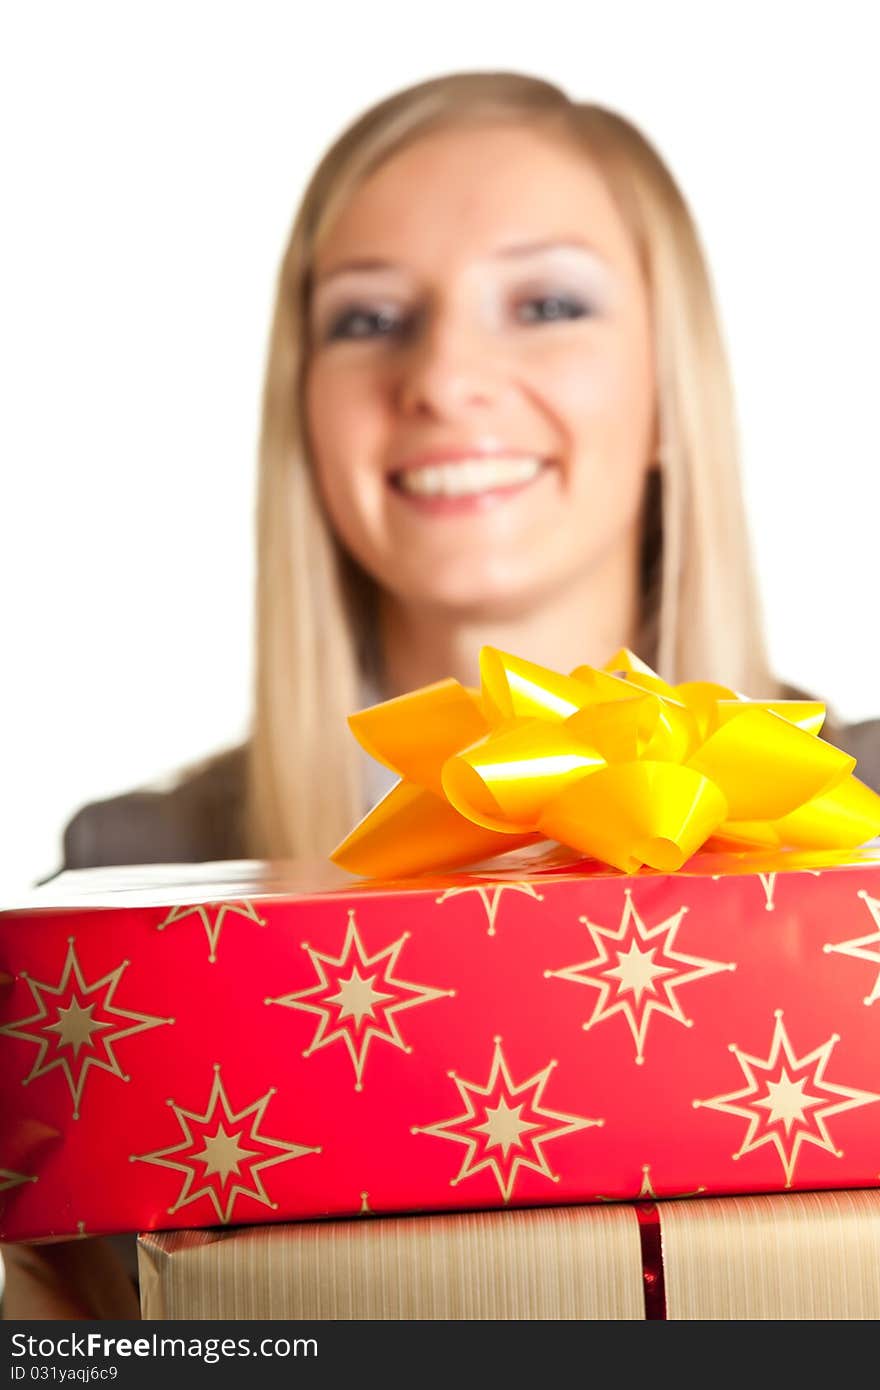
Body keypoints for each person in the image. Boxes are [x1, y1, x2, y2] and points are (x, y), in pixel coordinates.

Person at [3, 69, 879, 1321]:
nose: (445, 377)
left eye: (546, 302)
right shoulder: (127, 895)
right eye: (366, 320)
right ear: (303, 408)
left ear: (665, 394)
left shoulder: (873, 821)